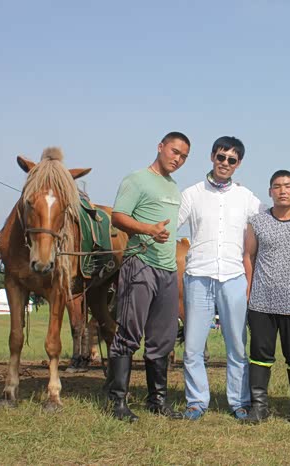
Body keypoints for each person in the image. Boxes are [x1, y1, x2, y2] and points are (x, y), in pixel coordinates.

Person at [106, 132, 191, 422]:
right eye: (174, 151)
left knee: (163, 338)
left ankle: (158, 401)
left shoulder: (174, 187)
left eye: (183, 156)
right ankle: (117, 401)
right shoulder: (137, 180)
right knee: (129, 334)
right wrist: (148, 229)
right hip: (140, 263)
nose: (178, 159)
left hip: (168, 270)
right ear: (160, 147)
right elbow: (118, 216)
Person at [178, 136, 263, 421]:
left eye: (231, 159)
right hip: (198, 276)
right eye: (221, 157)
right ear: (212, 156)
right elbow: (169, 223)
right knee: (192, 346)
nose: (225, 163)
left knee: (237, 345)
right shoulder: (192, 193)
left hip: (233, 278)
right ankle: (196, 402)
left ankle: (239, 401)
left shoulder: (246, 197)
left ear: (238, 163)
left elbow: (270, 221)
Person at [242, 170, 290, 427]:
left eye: (288, 186)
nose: (283, 191)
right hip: (262, 301)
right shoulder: (257, 222)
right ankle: (259, 406)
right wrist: (248, 291)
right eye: (277, 186)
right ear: (270, 191)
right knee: (260, 354)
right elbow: (248, 256)